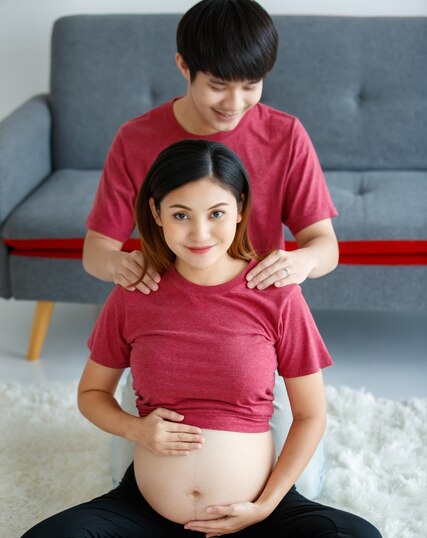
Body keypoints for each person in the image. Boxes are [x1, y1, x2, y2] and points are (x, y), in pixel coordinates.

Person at [15, 140, 382, 538]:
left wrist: (263, 505)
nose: (200, 232)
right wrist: (137, 429)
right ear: (156, 212)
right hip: (149, 509)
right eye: (181, 214)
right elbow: (91, 394)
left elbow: (311, 415)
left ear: (240, 209)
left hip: (251, 511)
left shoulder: (275, 293)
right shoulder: (135, 292)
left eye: (217, 213)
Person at [82, 0, 339, 497]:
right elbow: (97, 248)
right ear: (184, 65)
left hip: (252, 337)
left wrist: (300, 262)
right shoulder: (135, 139)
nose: (235, 102)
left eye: (250, 86)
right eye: (218, 85)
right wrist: (122, 265)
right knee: (127, 482)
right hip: (166, 332)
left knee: (300, 486)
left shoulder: (285, 135)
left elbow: (323, 244)